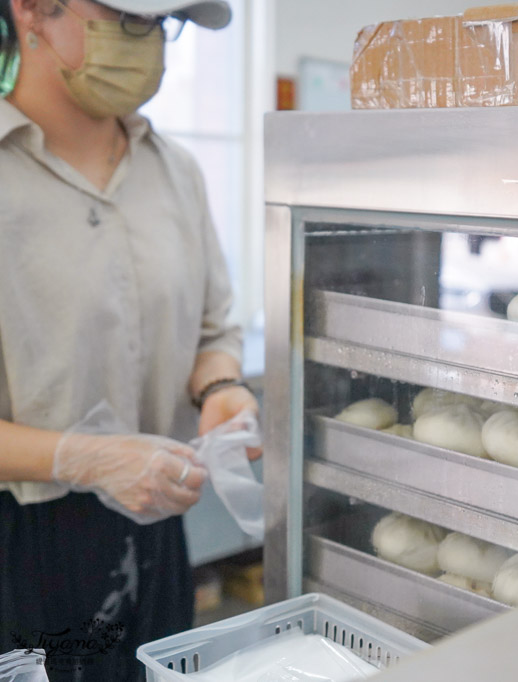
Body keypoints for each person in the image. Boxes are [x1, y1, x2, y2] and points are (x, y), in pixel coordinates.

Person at [0, 1, 259, 679]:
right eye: (130, 19)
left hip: (153, 527)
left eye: (166, 25)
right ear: (31, 9)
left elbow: (213, 328)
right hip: (18, 541)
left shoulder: (175, 172)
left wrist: (221, 385)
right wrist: (85, 459)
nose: (151, 46)